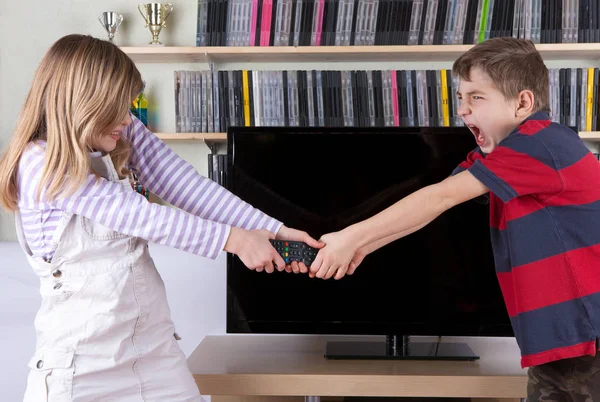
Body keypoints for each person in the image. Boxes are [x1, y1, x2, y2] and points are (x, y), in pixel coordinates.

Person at [0, 34, 322, 402]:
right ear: (83, 104)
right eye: (116, 108)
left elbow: (187, 187)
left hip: (155, 358)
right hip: (80, 370)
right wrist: (235, 240)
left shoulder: (121, 130)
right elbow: (138, 216)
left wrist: (274, 231)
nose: (127, 118)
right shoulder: (38, 164)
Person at [309, 37, 600, 401]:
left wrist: (351, 239)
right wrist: (361, 246)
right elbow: (430, 205)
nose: (462, 110)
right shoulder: (505, 155)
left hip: (587, 337)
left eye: (477, 97)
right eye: (460, 98)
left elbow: (438, 198)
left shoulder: (541, 145)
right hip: (566, 337)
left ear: (523, 103)